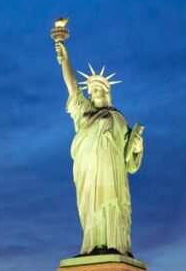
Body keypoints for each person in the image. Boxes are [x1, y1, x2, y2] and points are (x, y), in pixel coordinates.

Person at [55, 40, 143, 256]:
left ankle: (115, 245)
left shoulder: (118, 119)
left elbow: (129, 162)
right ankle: (92, 245)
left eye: (97, 89)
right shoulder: (84, 113)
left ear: (106, 91)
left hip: (112, 172)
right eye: (91, 89)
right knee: (92, 208)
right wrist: (64, 58)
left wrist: (137, 148)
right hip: (88, 170)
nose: (93, 92)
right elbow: (73, 87)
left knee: (111, 205)